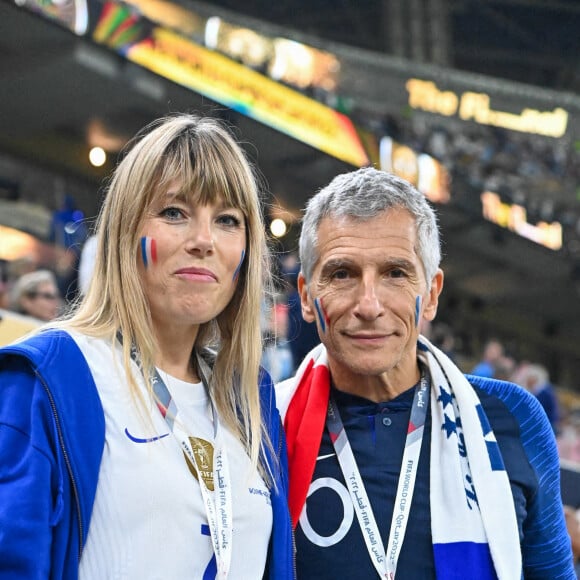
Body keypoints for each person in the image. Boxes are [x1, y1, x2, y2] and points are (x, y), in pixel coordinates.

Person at [0, 114, 294, 579]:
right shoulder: (53, 378)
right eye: (174, 212)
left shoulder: (252, 402)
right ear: (123, 231)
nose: (203, 241)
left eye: (226, 220)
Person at [276, 166, 574, 579]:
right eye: (342, 274)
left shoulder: (511, 417)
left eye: (395, 274)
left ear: (431, 295)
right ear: (307, 298)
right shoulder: (261, 424)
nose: (369, 305)